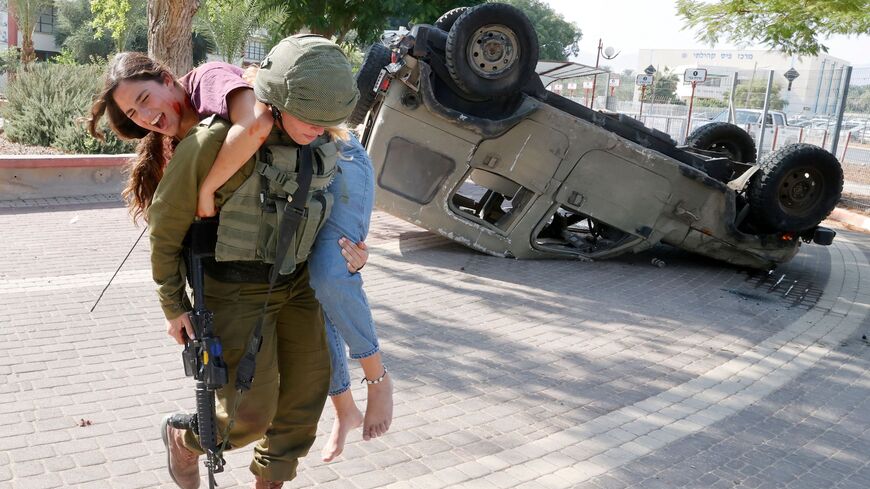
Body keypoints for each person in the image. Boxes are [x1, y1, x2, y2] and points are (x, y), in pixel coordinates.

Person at [87, 36, 372, 489]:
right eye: (135, 109)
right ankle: (184, 439)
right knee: (245, 416)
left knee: (302, 404)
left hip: (297, 285)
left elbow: (338, 214)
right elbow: (164, 231)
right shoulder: (211, 141)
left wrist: (353, 253)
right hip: (235, 288)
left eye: (325, 119)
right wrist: (172, 304)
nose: (319, 125)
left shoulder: (318, 140)